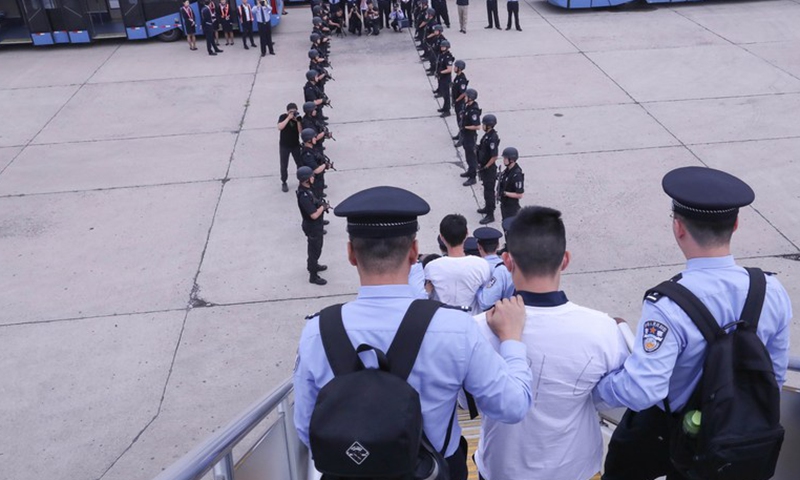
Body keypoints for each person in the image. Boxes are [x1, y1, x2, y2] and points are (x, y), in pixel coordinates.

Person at [294, 186, 534, 479]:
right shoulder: (455, 328)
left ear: (350, 254)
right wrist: (511, 341)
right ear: (414, 252)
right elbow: (512, 406)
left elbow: (307, 428)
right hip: (434, 470)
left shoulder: (317, 331)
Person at [594, 166, 792, 480]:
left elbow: (643, 390)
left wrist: (596, 389)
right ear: (736, 224)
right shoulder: (772, 290)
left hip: (674, 436)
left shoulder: (668, 305)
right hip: (741, 438)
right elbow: (774, 374)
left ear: (679, 228)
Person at [475, 206, 629, 480]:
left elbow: (464, 403)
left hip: (502, 468)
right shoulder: (603, 329)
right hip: (574, 467)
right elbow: (612, 398)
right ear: (565, 260)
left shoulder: (477, 328)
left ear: (508, 261)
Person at [424, 214, 492, 314]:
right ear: (467, 234)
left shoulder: (431, 267)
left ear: (442, 237)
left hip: (442, 320)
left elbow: (428, 295)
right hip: (472, 321)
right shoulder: (482, 265)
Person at [295, 166, 329, 286]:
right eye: (311, 176)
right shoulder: (304, 196)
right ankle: (313, 275)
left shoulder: (308, 189)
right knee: (314, 250)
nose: (313, 177)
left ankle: (314, 265)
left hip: (316, 225)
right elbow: (313, 215)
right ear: (306, 179)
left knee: (317, 248)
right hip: (312, 226)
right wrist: (322, 207)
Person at [473, 226, 514, 311]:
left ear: (479, 247)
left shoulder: (478, 267)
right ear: (498, 245)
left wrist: (477, 289)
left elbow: (485, 302)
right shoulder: (507, 265)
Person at [477, 114, 500, 225]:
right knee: (486, 190)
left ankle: (490, 214)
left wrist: (486, 166)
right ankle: (487, 207)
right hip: (484, 167)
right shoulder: (487, 135)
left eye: (484, 124)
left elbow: (494, 156)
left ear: (489, 126)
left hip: (489, 169)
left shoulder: (492, 138)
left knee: (489, 192)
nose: (483, 126)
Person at [278, 103, 303, 193]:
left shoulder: (298, 118)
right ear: (287, 112)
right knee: (284, 165)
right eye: (290, 112)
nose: (293, 113)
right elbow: (280, 127)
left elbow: (300, 132)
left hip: (295, 145)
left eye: (294, 111)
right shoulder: (283, 117)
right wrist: (288, 118)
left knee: (299, 163)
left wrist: (298, 121)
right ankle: (284, 181)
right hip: (284, 146)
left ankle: (302, 180)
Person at [459, 88, 481, 186]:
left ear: (470, 98)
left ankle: (473, 177)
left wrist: (465, 127)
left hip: (470, 136)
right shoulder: (467, 106)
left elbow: (477, 126)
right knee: (467, 155)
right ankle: (469, 171)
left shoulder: (474, 110)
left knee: (471, 157)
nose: (465, 97)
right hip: (465, 135)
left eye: (466, 96)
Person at [497, 146, 523, 220]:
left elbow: (519, 195)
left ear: (511, 160)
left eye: (505, 158)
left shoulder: (517, 175)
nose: (504, 160)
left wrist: (505, 193)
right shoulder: (507, 170)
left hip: (511, 207)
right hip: (504, 204)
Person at [451, 59, 469, 145]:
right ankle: (460, 134)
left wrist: (457, 100)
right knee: (458, 120)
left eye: (455, 67)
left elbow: (463, 92)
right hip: (457, 102)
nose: (454, 68)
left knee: (461, 121)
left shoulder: (462, 79)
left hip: (460, 103)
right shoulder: (457, 77)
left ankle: (462, 139)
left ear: (460, 68)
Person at [435, 40, 454, 117]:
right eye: (441, 46)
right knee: (443, 93)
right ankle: (444, 107)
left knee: (446, 95)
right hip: (441, 77)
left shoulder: (448, 57)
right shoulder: (442, 55)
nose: (442, 47)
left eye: (444, 46)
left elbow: (449, 69)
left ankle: (447, 110)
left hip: (446, 78)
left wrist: (441, 72)